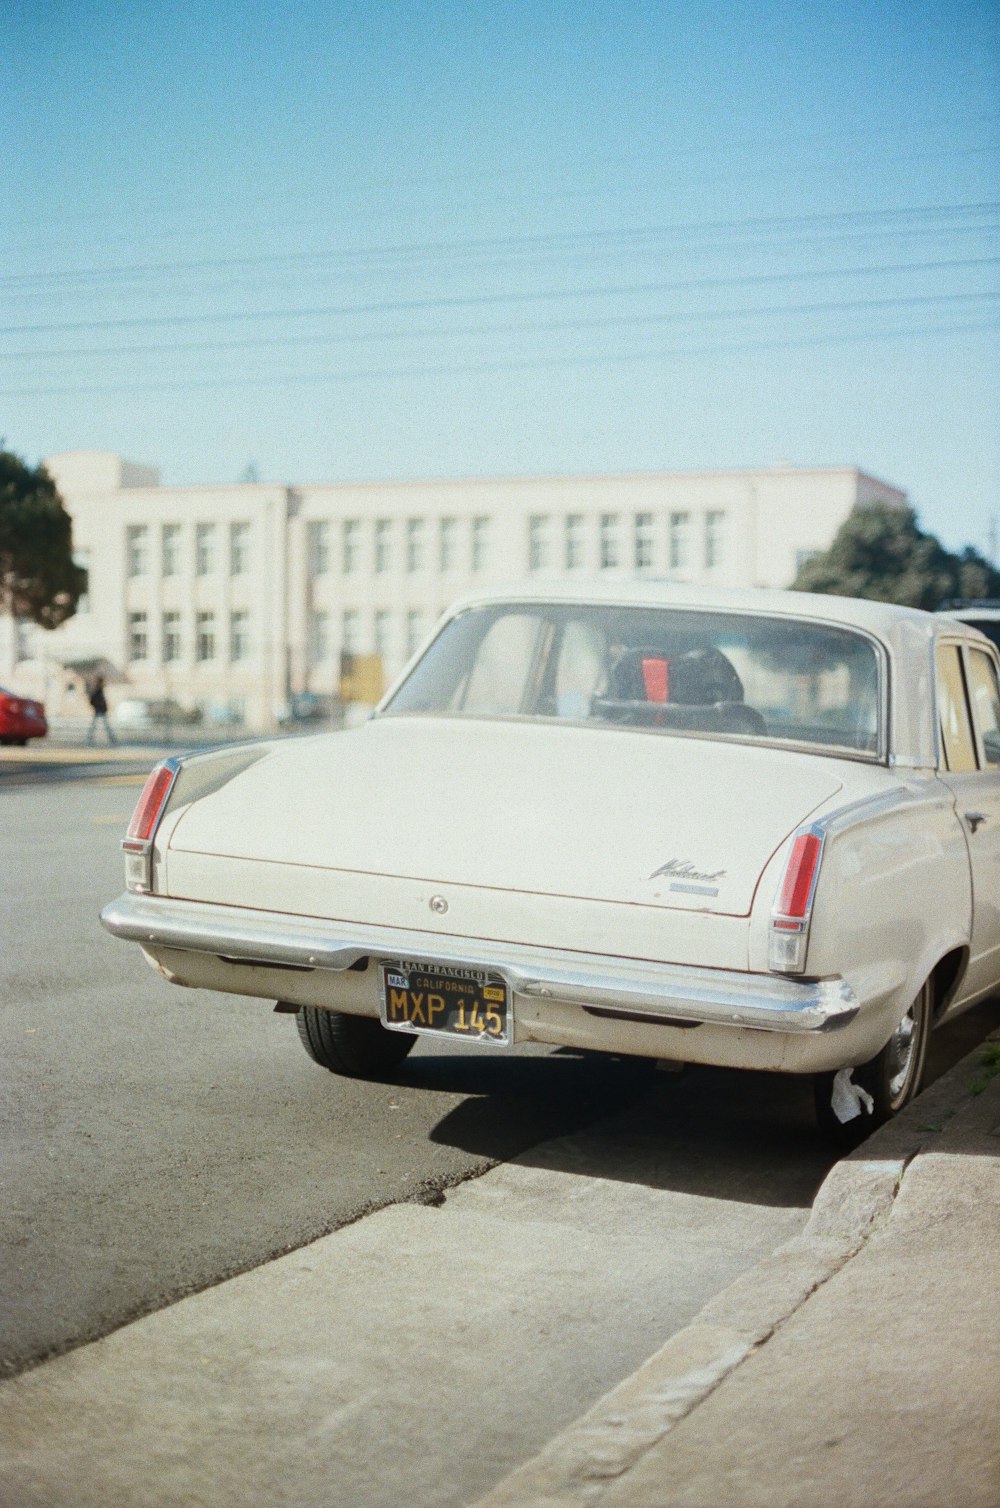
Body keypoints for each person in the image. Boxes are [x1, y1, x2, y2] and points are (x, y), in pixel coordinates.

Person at [86, 675, 116, 745]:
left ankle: (89, 739)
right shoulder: (98, 690)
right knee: (100, 725)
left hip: (100, 709)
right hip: (99, 709)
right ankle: (89, 739)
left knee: (99, 725)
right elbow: (96, 700)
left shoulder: (99, 690)